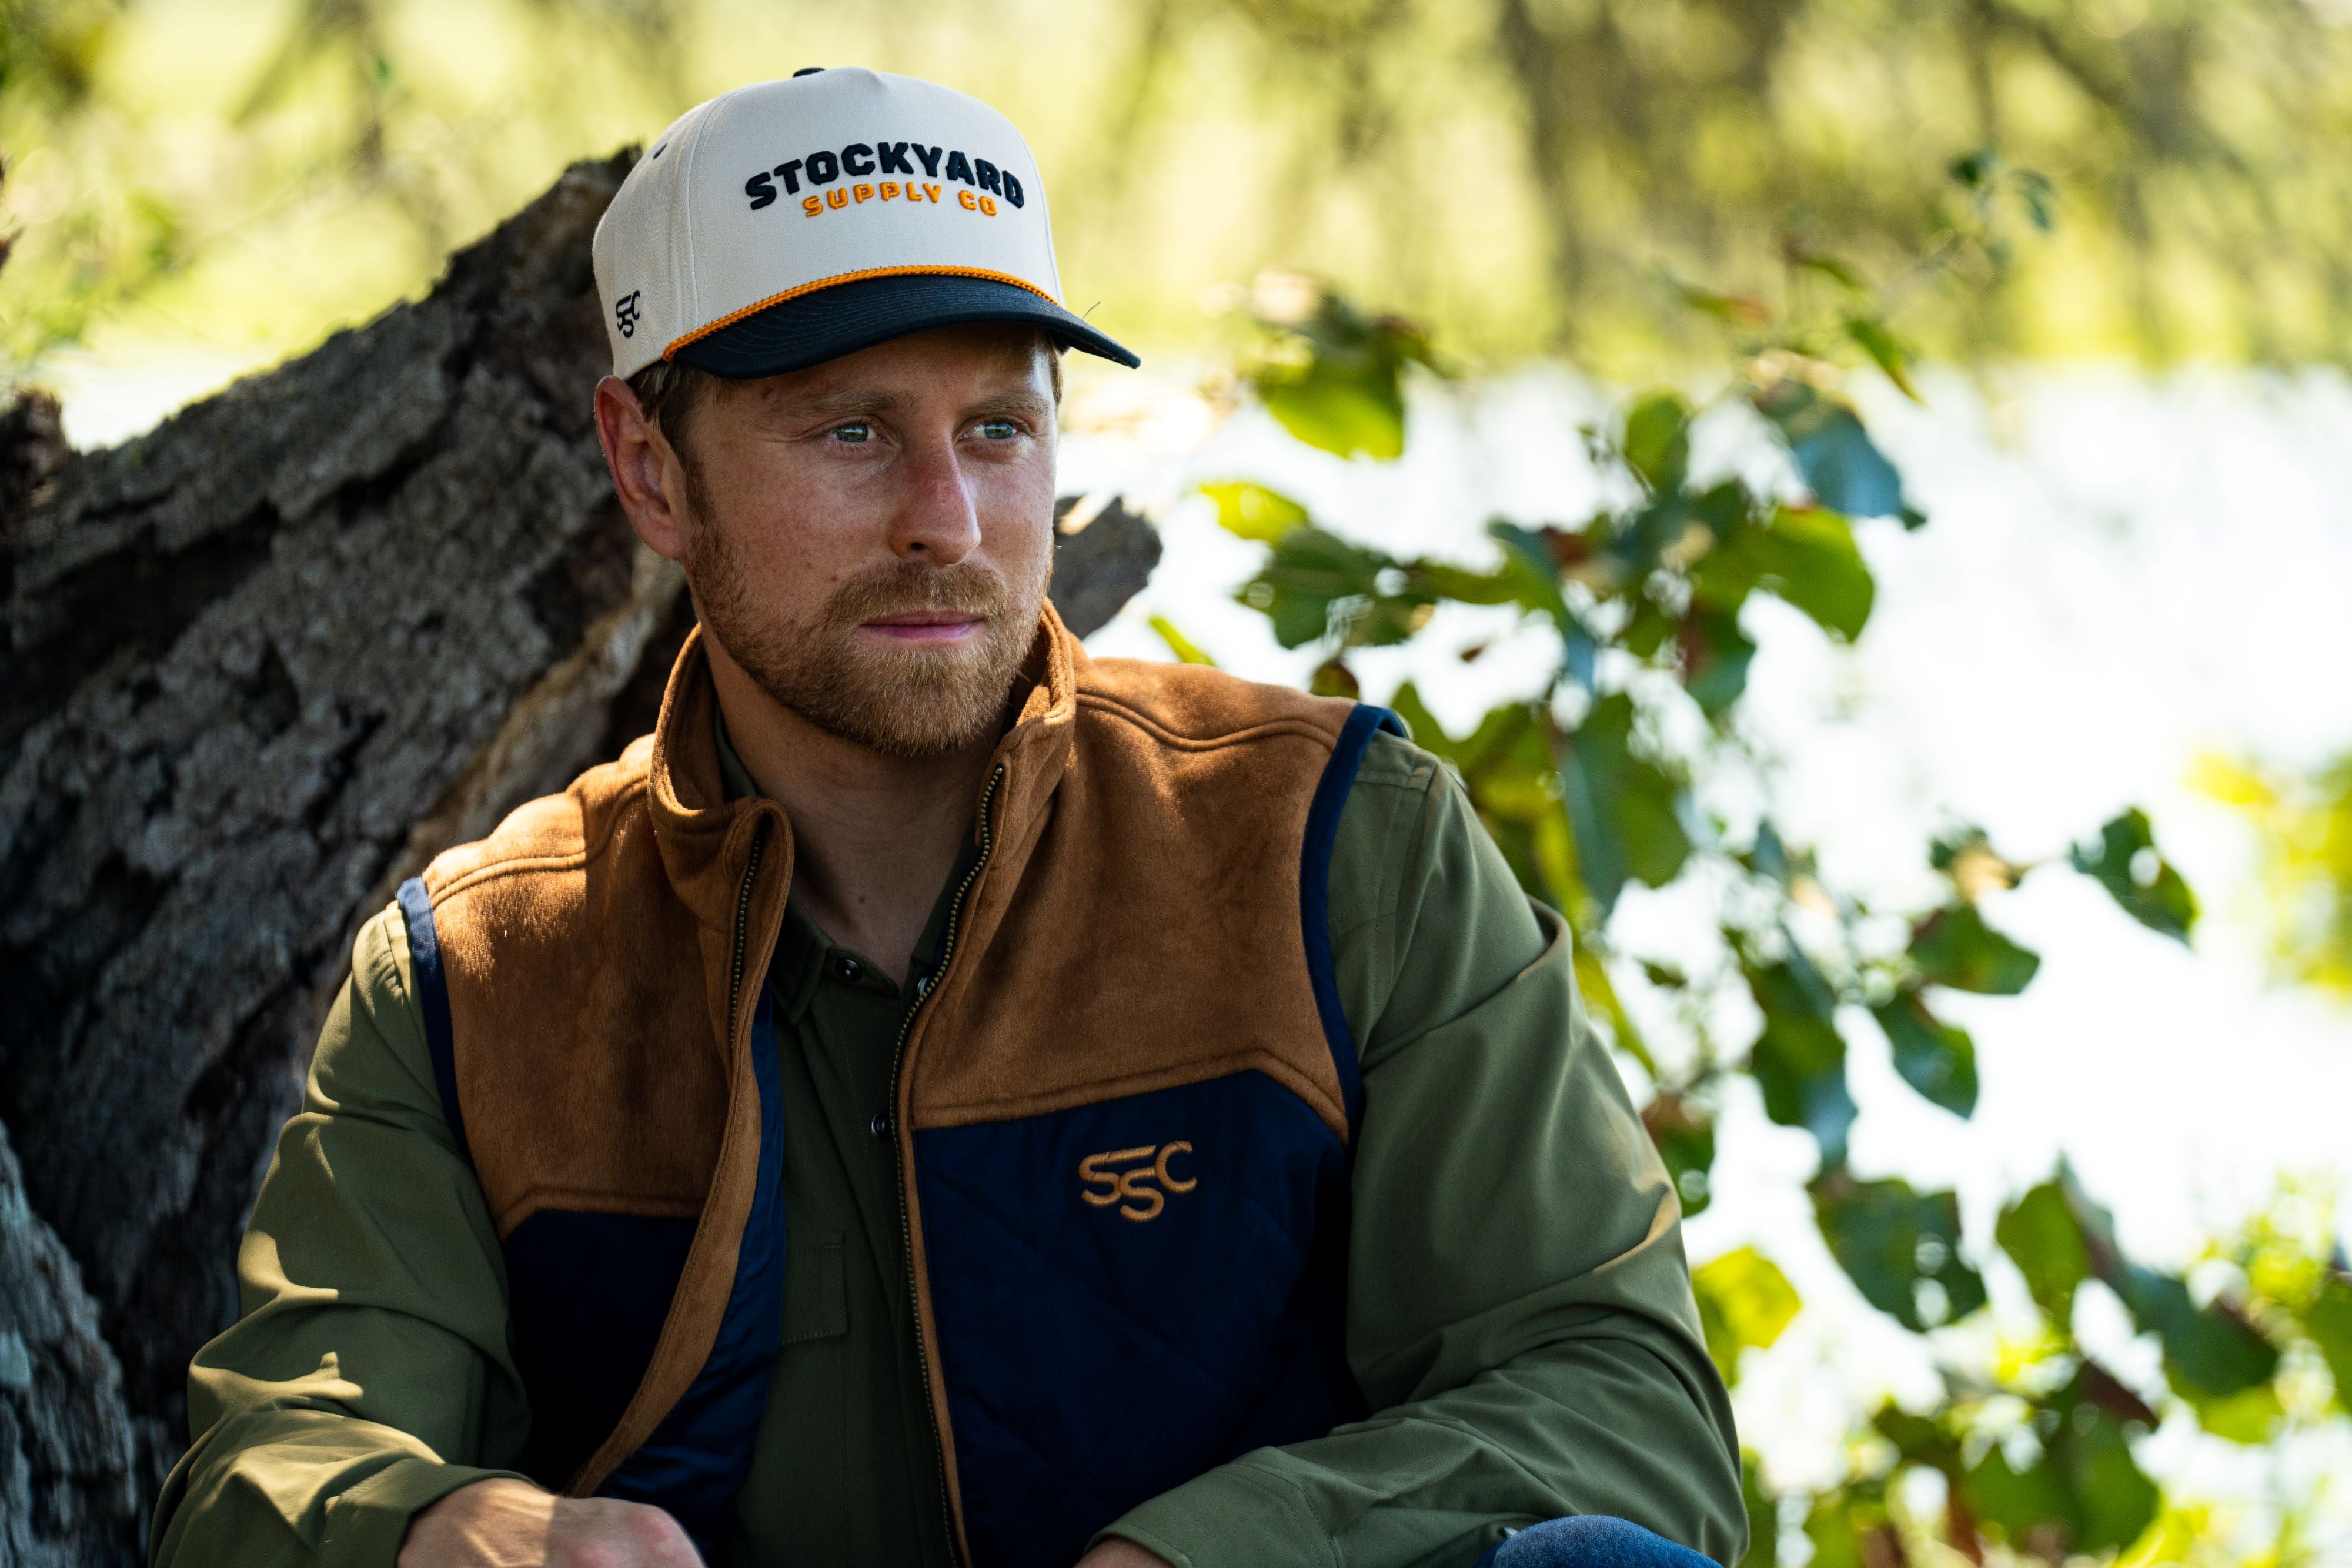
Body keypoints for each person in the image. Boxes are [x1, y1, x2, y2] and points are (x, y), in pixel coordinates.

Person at [149, 68, 1745, 1568]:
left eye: (998, 426)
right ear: (648, 468)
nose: (948, 519)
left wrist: (1191, 1559)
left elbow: (1621, 1404)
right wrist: (461, 1530)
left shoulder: (1338, 843)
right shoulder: (478, 977)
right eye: (851, 431)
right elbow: (269, 1462)